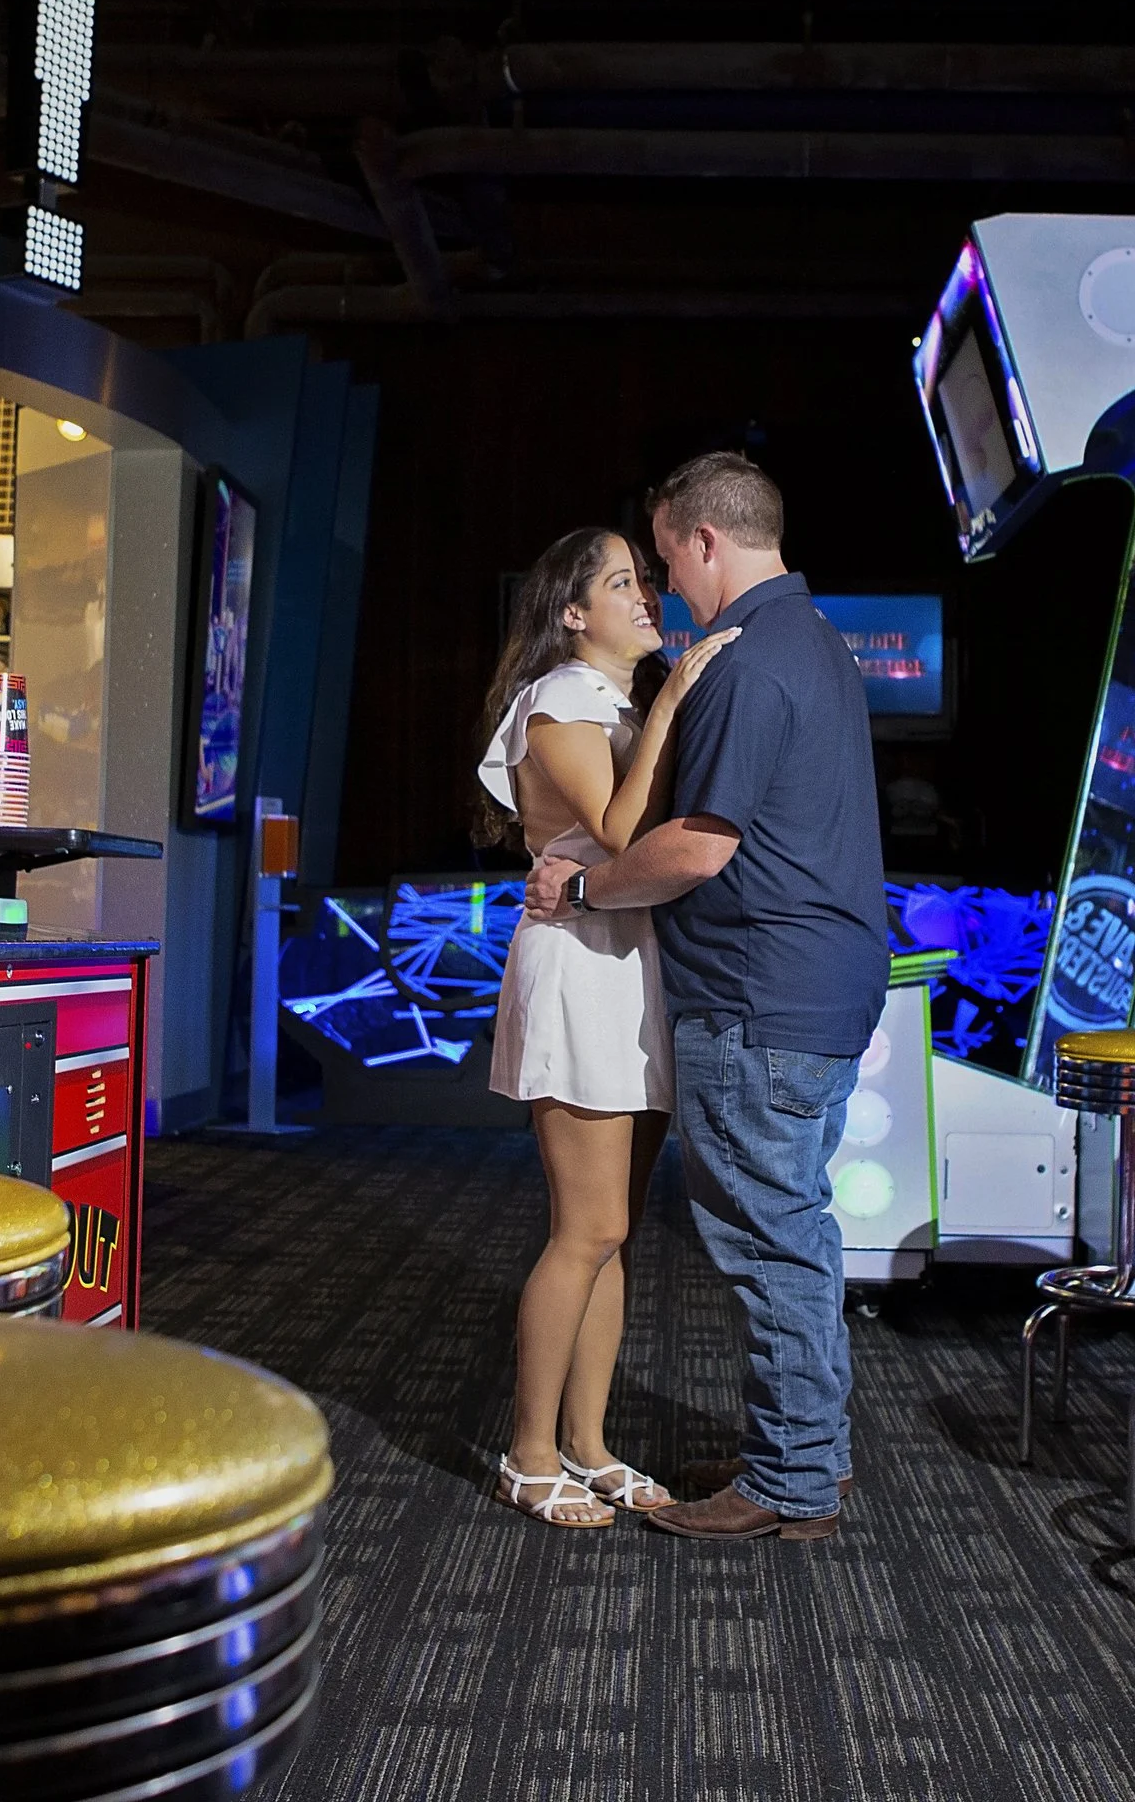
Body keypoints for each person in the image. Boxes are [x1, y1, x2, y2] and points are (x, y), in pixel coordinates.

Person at [525, 453, 887, 1542]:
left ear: (702, 541)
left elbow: (692, 848)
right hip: (815, 987)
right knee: (798, 1236)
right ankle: (808, 1457)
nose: (661, 588)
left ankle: (789, 1482)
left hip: (756, 996)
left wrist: (582, 885)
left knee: (773, 1243)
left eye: (662, 560)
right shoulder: (811, 640)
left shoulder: (742, 661)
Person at [478, 527, 740, 1527]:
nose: (647, 596)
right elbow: (628, 836)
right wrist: (674, 699)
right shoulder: (558, 700)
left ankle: (587, 1444)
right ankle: (527, 1453)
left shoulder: (618, 703)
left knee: (615, 1234)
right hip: (580, 964)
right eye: (624, 583)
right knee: (582, 1228)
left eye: (644, 579)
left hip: (635, 961)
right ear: (573, 613)